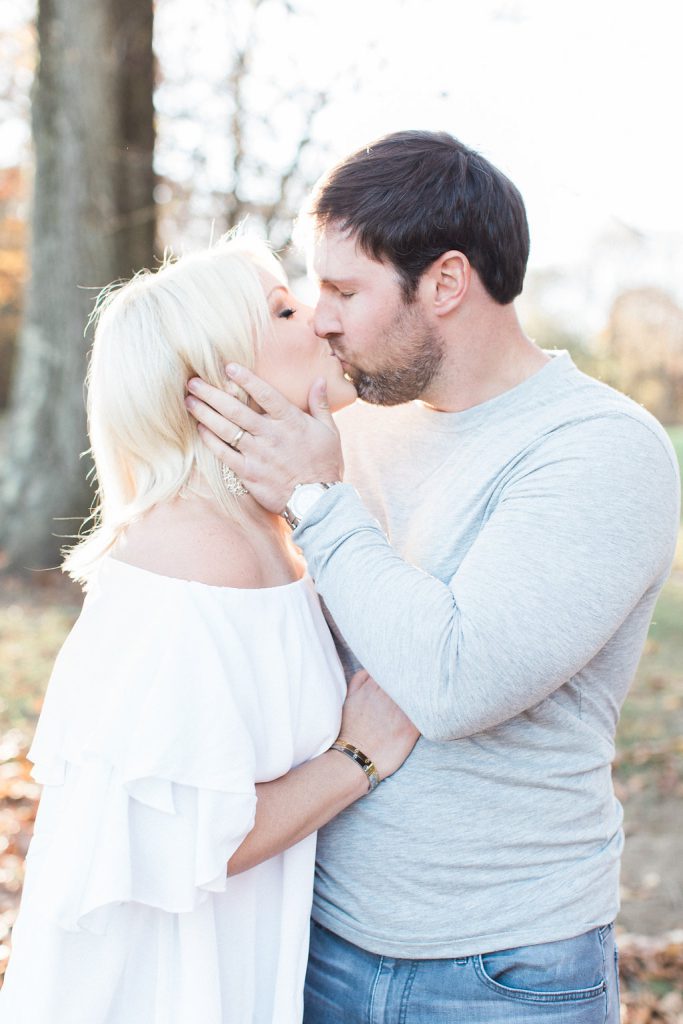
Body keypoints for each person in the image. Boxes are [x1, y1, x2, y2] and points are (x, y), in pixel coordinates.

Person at [185, 131, 681, 1024]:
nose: (321, 316)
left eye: (345, 289)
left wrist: (316, 497)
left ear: (445, 284)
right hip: (317, 937)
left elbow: (455, 682)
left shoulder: (599, 450)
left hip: (503, 969)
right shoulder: (355, 420)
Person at [0, 237, 419, 1024]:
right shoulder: (196, 554)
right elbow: (189, 837)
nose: (322, 320)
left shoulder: (262, 535)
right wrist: (355, 759)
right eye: (285, 309)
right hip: (153, 990)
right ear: (217, 381)